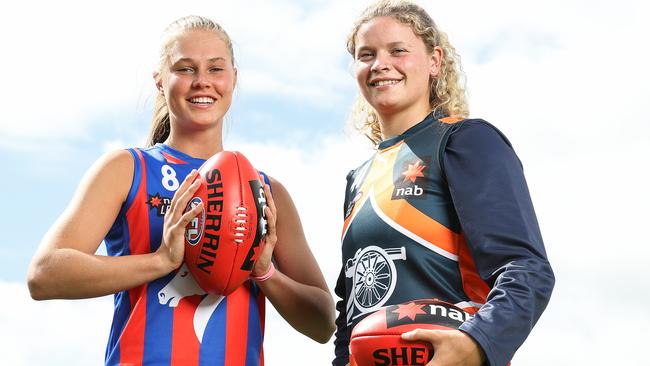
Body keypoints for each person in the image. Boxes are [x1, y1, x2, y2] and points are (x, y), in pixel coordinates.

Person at [27, 15, 335, 365]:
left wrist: (264, 272)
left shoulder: (266, 190)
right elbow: (44, 275)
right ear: (160, 81)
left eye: (216, 69)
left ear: (234, 78)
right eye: (185, 69)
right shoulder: (127, 169)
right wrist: (161, 260)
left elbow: (323, 324)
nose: (202, 82)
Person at [333, 1, 555, 366]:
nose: (380, 64)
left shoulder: (465, 141)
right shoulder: (357, 178)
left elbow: (526, 269)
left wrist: (475, 344)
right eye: (366, 54)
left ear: (434, 61)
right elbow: (351, 310)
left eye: (398, 50)